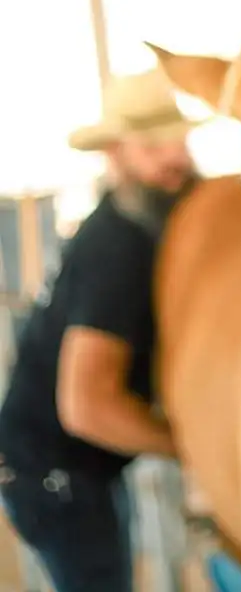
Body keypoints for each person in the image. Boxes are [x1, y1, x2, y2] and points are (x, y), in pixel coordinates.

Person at [0, 67, 204, 592]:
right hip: (56, 477)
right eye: (153, 146)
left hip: (73, 472)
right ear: (115, 152)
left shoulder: (136, 226)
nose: (174, 159)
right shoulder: (117, 246)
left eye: (178, 141)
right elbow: (87, 405)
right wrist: (197, 447)